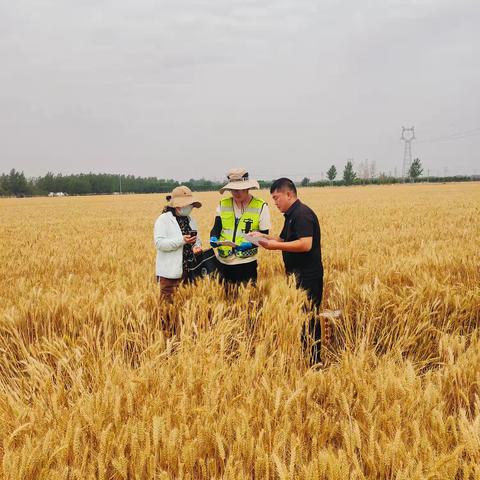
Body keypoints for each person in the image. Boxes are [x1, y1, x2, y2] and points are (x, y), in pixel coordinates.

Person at [253, 178, 324, 366]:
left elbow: (305, 244)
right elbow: (284, 238)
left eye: (276, 198)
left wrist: (274, 246)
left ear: (288, 194)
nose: (275, 203)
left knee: (310, 319)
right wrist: (262, 236)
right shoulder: (292, 215)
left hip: (308, 276)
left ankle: (315, 362)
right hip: (296, 276)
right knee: (302, 318)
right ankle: (307, 357)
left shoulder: (302, 214)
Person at [209, 168, 271, 287]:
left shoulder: (261, 206)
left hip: (246, 263)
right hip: (223, 262)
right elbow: (216, 228)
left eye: (239, 189)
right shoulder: (223, 204)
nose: (236, 193)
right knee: (225, 299)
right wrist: (213, 238)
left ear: (247, 188)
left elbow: (265, 235)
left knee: (246, 300)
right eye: (233, 189)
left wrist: (250, 244)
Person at [154, 185, 202, 303]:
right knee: (167, 308)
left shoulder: (190, 220)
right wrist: (182, 240)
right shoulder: (163, 220)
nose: (189, 208)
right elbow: (159, 243)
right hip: (170, 274)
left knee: (187, 306)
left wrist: (196, 246)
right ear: (177, 205)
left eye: (190, 205)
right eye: (187, 205)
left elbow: (197, 239)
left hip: (189, 271)